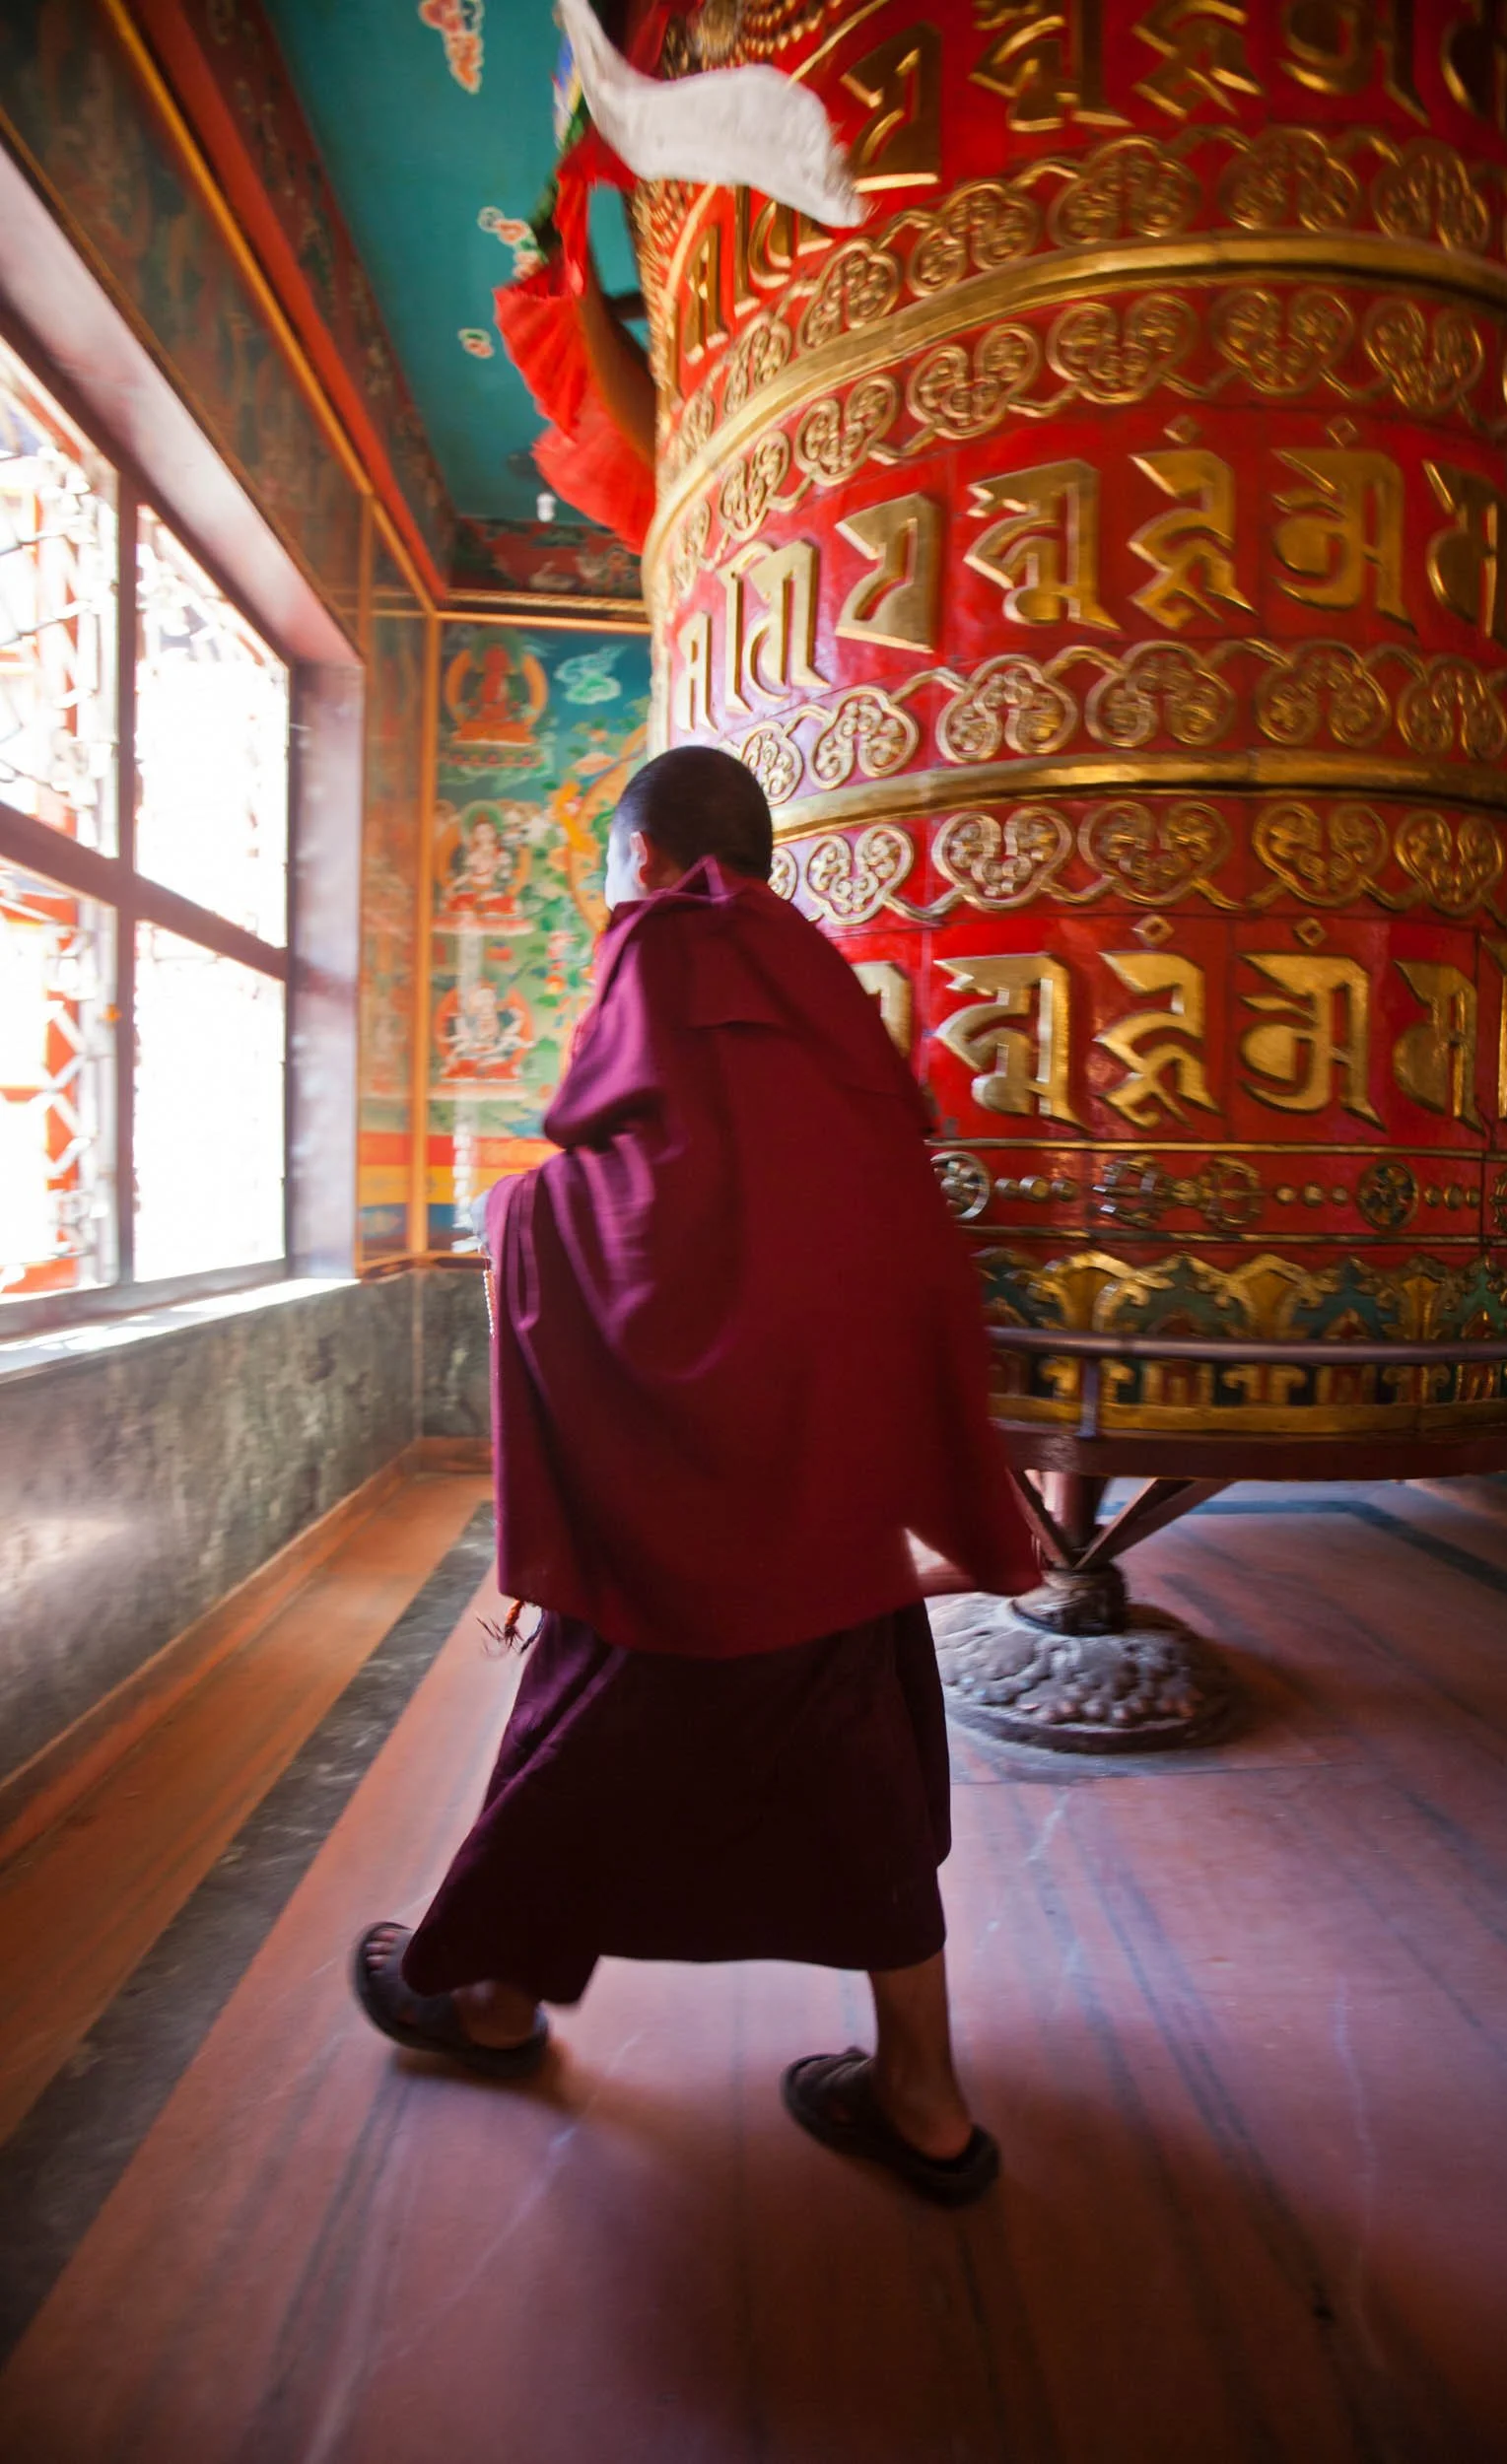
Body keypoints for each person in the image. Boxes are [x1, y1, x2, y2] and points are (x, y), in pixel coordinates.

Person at [353, 745, 1038, 2206]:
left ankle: (483, 2001)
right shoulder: (819, 992)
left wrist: (513, 1213)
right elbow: (850, 1213)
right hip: (827, 1479)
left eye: (611, 872)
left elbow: (643, 1218)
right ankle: (919, 2093)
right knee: (855, 1778)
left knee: (590, 1732)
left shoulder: (672, 942)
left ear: (649, 858)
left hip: (692, 1486)